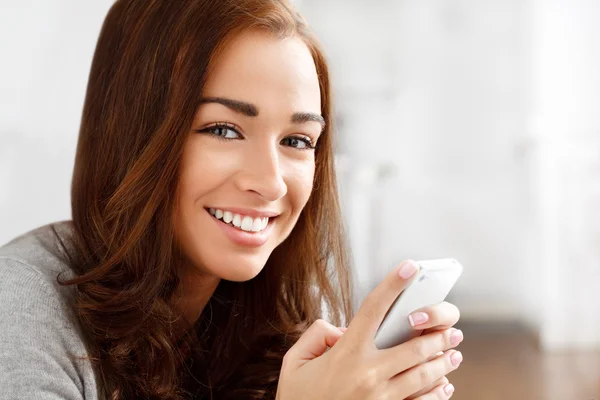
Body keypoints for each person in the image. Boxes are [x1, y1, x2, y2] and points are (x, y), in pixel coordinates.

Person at [0, 0, 463, 399]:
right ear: (132, 136)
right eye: (223, 130)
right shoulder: (17, 309)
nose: (272, 183)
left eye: (298, 141)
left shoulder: (287, 317)